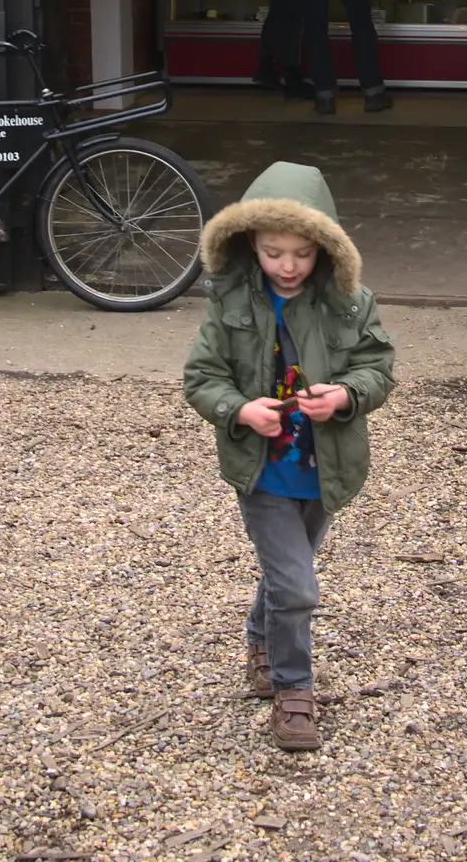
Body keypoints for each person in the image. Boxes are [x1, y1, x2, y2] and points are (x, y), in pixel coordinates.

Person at [183, 161, 395, 752]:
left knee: (289, 567)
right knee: (299, 585)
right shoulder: (229, 305)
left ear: (325, 247)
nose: (289, 265)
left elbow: (378, 368)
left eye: (303, 252)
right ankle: (294, 689)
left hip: (325, 465)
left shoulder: (351, 304)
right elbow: (201, 377)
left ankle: (260, 640)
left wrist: (348, 395)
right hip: (262, 468)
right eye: (275, 251)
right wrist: (238, 409)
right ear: (250, 242)